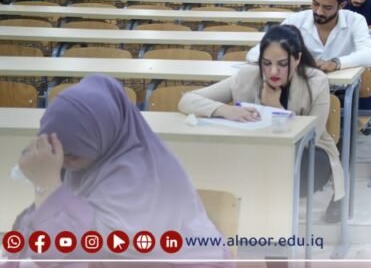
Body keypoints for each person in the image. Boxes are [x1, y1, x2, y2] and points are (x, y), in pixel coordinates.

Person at [10, 75, 228, 263]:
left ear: (103, 132)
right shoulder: (92, 160)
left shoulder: (139, 179)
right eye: (60, 155)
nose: (65, 164)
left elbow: (68, 247)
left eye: (72, 156)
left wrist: (46, 186)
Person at [180, 25, 345, 223]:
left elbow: (312, 135)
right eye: (266, 63)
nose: (273, 71)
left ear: (297, 59)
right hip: (256, 151)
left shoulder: (316, 81)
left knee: (279, 172)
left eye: (282, 64)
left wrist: (275, 107)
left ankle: (271, 222)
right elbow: (187, 100)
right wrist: (225, 110)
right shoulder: (248, 75)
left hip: (306, 154)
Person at [245, 0, 371, 73]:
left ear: (342, 5)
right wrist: (295, 62)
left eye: (327, 7)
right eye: (315, 3)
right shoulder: (295, 21)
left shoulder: (355, 21)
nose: (319, 11)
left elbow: (370, 56)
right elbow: (254, 54)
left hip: (342, 92)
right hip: (301, 91)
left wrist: (336, 63)